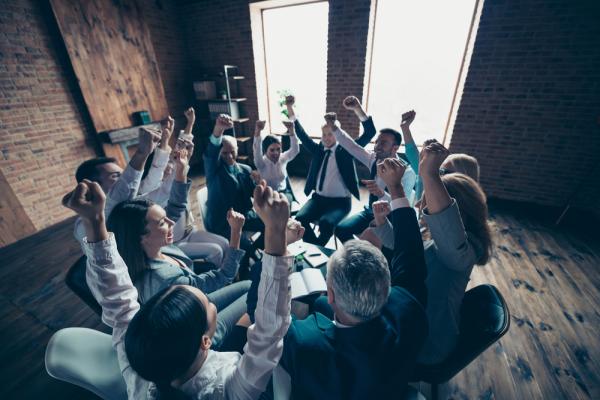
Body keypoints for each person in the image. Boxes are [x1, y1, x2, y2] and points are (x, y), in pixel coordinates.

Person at [64, 178, 293, 399]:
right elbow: (269, 331)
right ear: (206, 341)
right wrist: (276, 232)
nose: (213, 302)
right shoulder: (228, 389)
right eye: (209, 306)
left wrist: (94, 222)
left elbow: (118, 299)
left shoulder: (141, 367)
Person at [245, 158, 428, 399]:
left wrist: (275, 235)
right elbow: (411, 255)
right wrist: (396, 189)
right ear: (387, 287)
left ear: (331, 294)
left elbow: (262, 315)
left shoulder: (305, 344)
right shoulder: (408, 310)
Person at [371, 141, 492, 364]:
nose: (423, 210)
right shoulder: (430, 232)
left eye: (427, 205)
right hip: (408, 317)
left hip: (424, 340)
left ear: (460, 211)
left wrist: (427, 175)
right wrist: (382, 223)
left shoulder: (464, 250)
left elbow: (448, 233)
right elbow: (405, 245)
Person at [141, 107, 231, 267]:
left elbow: (182, 149)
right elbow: (175, 159)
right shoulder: (151, 191)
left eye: (170, 162)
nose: (170, 166)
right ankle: (212, 275)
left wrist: (190, 122)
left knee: (224, 243)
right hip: (174, 242)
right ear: (153, 169)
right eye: (165, 165)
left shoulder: (171, 176)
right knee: (216, 250)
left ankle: (225, 274)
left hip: (190, 232)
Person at [287, 95, 377, 246]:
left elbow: (369, 133)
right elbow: (301, 134)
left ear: (337, 134)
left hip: (340, 203)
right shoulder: (318, 150)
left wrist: (357, 109)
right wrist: (290, 108)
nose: (327, 138)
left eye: (331, 134)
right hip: (318, 199)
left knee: (326, 223)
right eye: (324, 134)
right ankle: (314, 247)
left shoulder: (347, 150)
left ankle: (318, 249)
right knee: (300, 218)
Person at [331, 96, 417, 243]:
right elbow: (351, 146)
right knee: (340, 229)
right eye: (377, 141)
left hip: (390, 218)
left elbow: (404, 207)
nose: (377, 146)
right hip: (369, 211)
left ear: (395, 148)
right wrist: (334, 128)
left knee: (371, 241)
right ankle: (356, 256)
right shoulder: (373, 158)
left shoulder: (407, 172)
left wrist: (381, 193)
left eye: (383, 143)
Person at [73, 127, 162, 248]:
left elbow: (156, 187)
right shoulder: (84, 225)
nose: (122, 180)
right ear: (94, 185)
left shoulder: (133, 202)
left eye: (123, 174)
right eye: (116, 176)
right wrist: (142, 153)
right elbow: (120, 194)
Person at [203, 114, 264, 253]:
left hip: (243, 215)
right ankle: (245, 265)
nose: (229, 156)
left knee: (272, 223)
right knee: (245, 247)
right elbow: (210, 154)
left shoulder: (246, 169)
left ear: (237, 150)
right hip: (223, 222)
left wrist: (258, 184)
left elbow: (253, 195)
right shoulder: (213, 171)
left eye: (232, 152)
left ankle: (257, 253)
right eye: (224, 153)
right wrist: (218, 129)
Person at [252, 119, 300, 205]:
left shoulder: (283, 158)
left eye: (278, 149)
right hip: (267, 195)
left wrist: (292, 130)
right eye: (272, 150)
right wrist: (257, 130)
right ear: (265, 150)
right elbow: (256, 149)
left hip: (284, 192)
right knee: (274, 207)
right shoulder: (261, 163)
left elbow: (295, 150)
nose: (276, 153)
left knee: (283, 204)